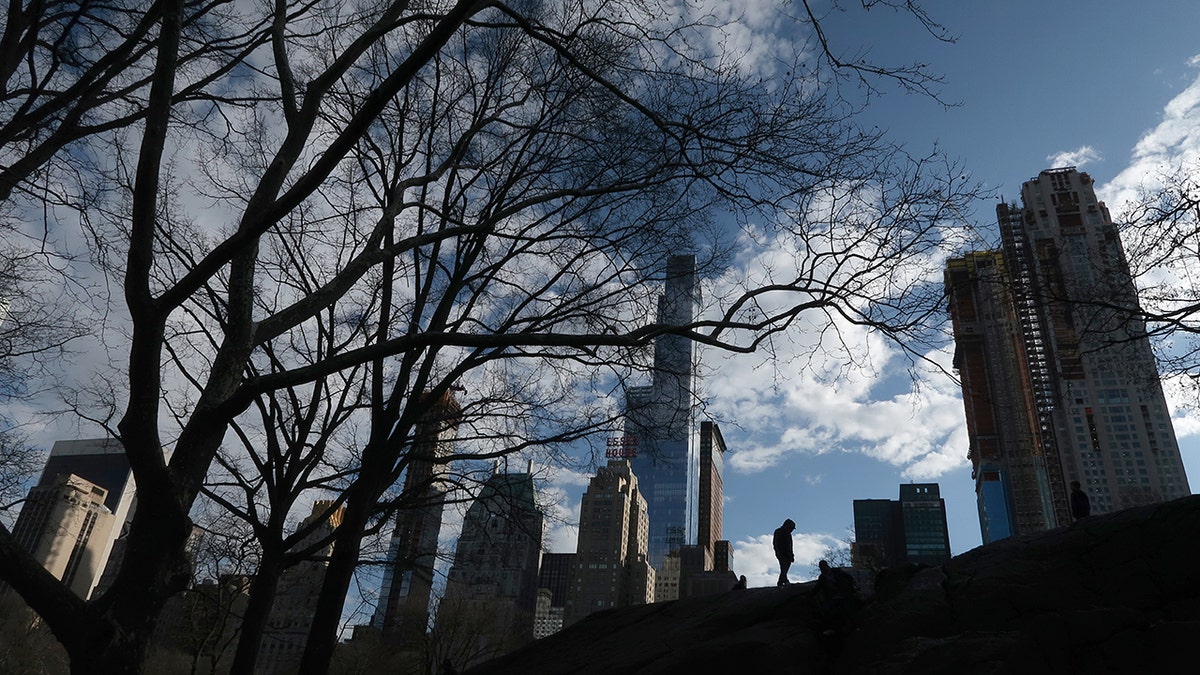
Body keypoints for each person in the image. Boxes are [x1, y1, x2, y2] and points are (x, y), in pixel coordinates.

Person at [773, 518, 796, 587]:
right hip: (781, 552)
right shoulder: (778, 531)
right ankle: (781, 582)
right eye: (791, 528)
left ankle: (784, 580)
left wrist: (791, 554)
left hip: (788, 554)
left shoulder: (789, 534)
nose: (791, 530)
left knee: (785, 567)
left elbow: (790, 545)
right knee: (783, 566)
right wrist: (778, 551)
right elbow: (775, 543)